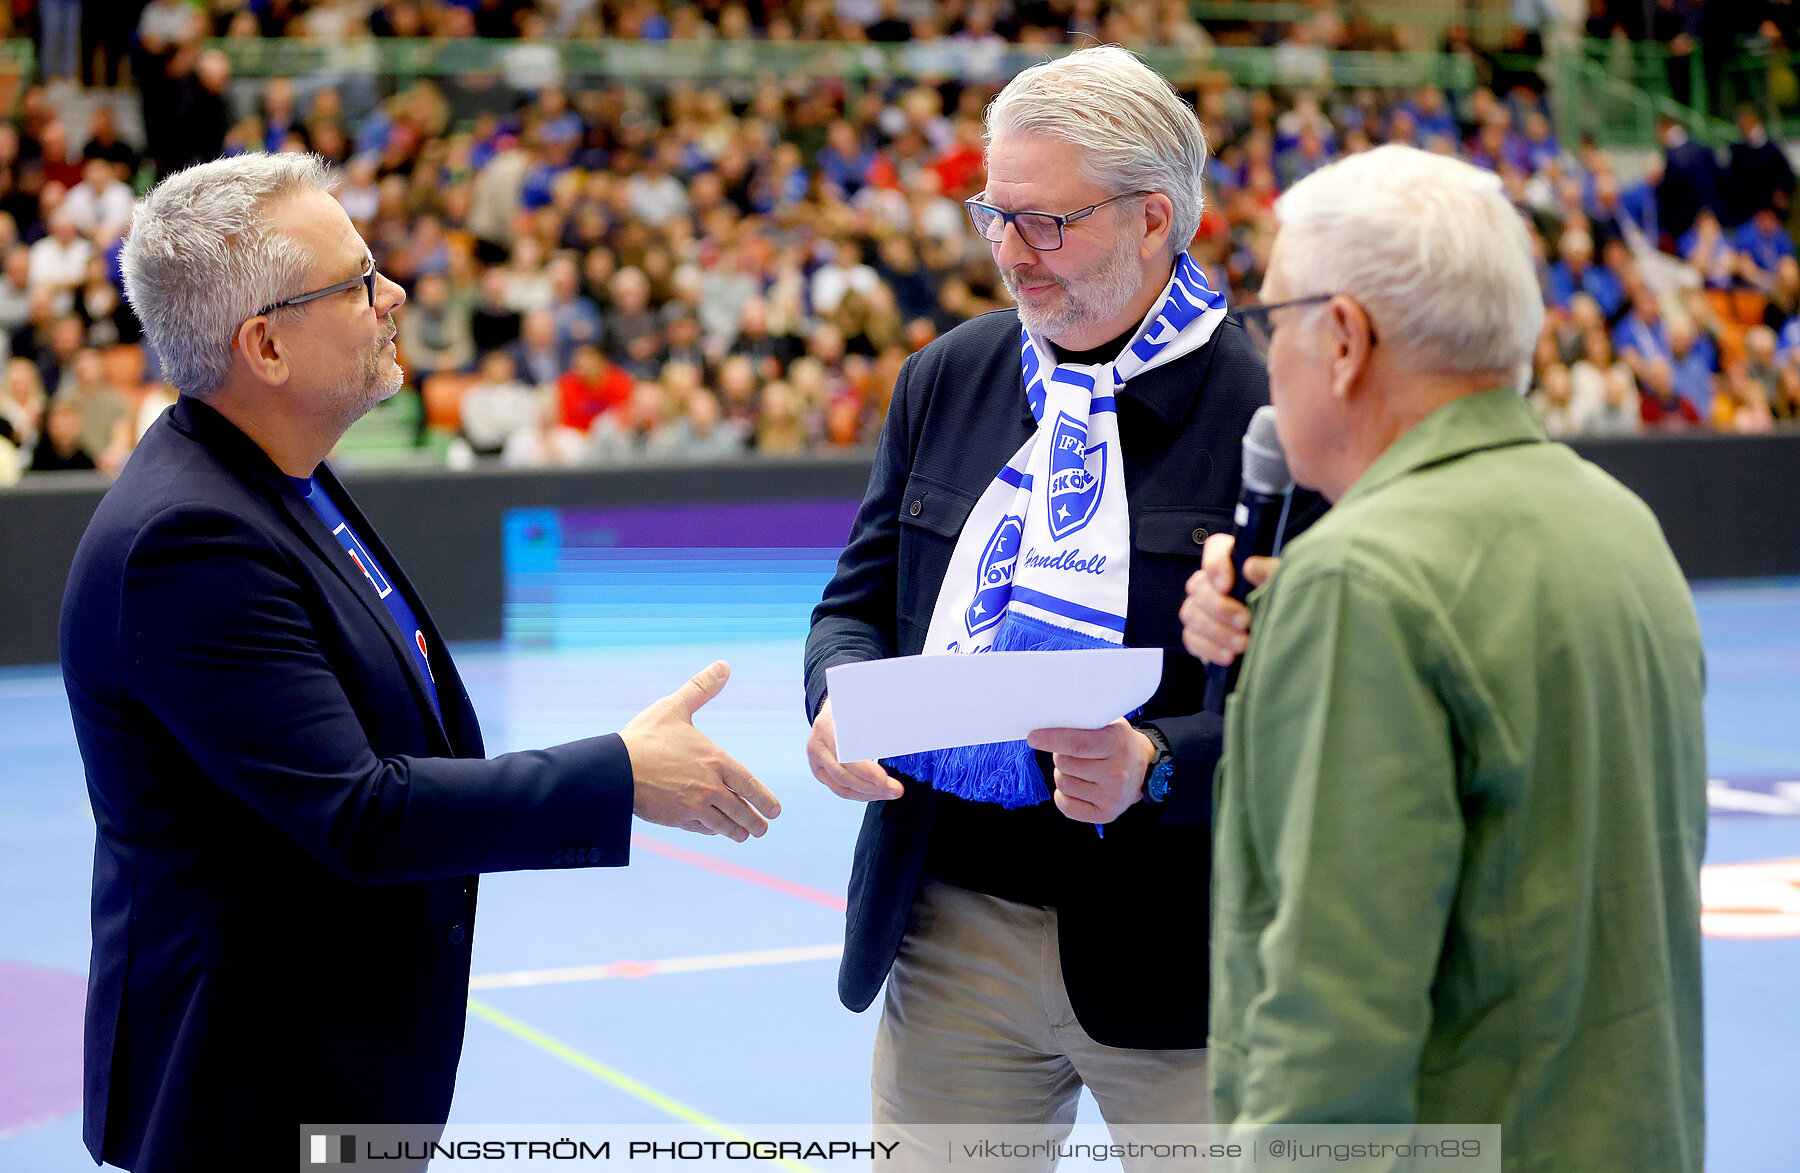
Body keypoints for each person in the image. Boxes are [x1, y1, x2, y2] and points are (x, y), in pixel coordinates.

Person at [60, 154, 781, 1173]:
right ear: (264, 344)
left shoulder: (276, 481)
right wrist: (620, 775)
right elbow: (359, 813)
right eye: (356, 283)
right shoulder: (192, 542)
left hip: (327, 1071)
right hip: (250, 1097)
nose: (393, 294)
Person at [803, 47, 1315, 1162]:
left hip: (1185, 957)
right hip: (948, 926)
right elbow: (854, 605)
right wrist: (835, 706)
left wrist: (1157, 760)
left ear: (1153, 220)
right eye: (996, 214)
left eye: (1049, 223)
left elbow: (1323, 705)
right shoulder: (949, 376)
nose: (1011, 255)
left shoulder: (1275, 417)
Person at [1181, 145, 1705, 1171]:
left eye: (1273, 320)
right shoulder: (1619, 524)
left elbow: (1333, 1027)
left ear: (1343, 339)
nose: (1266, 353)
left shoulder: (1362, 583)